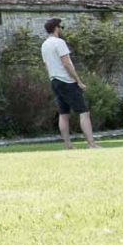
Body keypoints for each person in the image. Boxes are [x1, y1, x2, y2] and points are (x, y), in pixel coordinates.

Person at [42, 18, 99, 149]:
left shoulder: (44, 45)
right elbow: (66, 63)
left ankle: (68, 145)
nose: (61, 29)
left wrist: (52, 77)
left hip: (54, 80)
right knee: (84, 112)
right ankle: (91, 144)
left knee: (63, 113)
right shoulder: (59, 42)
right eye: (60, 27)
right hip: (66, 81)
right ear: (56, 28)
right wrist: (78, 81)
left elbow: (47, 65)